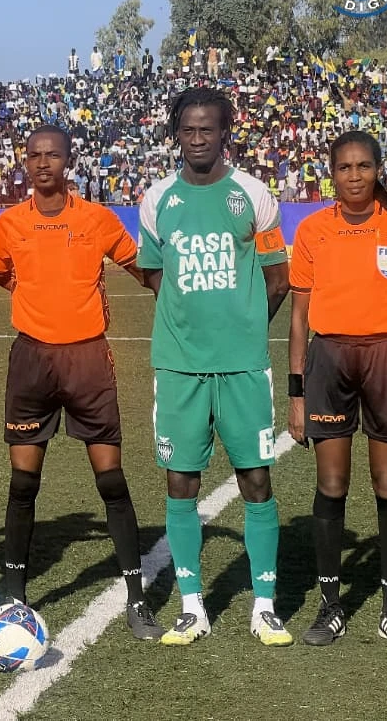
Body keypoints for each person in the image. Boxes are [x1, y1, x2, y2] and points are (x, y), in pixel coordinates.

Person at [0, 125, 162, 639]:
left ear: (67, 161)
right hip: (31, 361)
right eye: (35, 156)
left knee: (110, 479)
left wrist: (188, 296)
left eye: (53, 155)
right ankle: (15, 591)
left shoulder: (96, 218)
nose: (43, 163)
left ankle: (137, 598)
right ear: (25, 162)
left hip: (88, 360)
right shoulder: (11, 224)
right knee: (24, 484)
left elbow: (144, 273)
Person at [138, 87, 293, 646]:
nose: (197, 138)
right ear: (176, 133)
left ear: (226, 131)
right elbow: (154, 275)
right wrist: (188, 320)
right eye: (188, 129)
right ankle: (191, 606)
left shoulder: (255, 195)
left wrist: (246, 326)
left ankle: (266, 606)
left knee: (256, 478)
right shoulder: (156, 200)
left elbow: (279, 277)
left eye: (208, 129)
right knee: (181, 482)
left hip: (244, 367)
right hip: (178, 367)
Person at [289, 130, 387, 648]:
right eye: (344, 168)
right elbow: (300, 314)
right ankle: (331, 606)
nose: (354, 176)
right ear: (331, 174)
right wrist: (295, 390)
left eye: (364, 166)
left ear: (378, 169)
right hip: (328, 362)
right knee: (332, 485)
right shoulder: (313, 230)